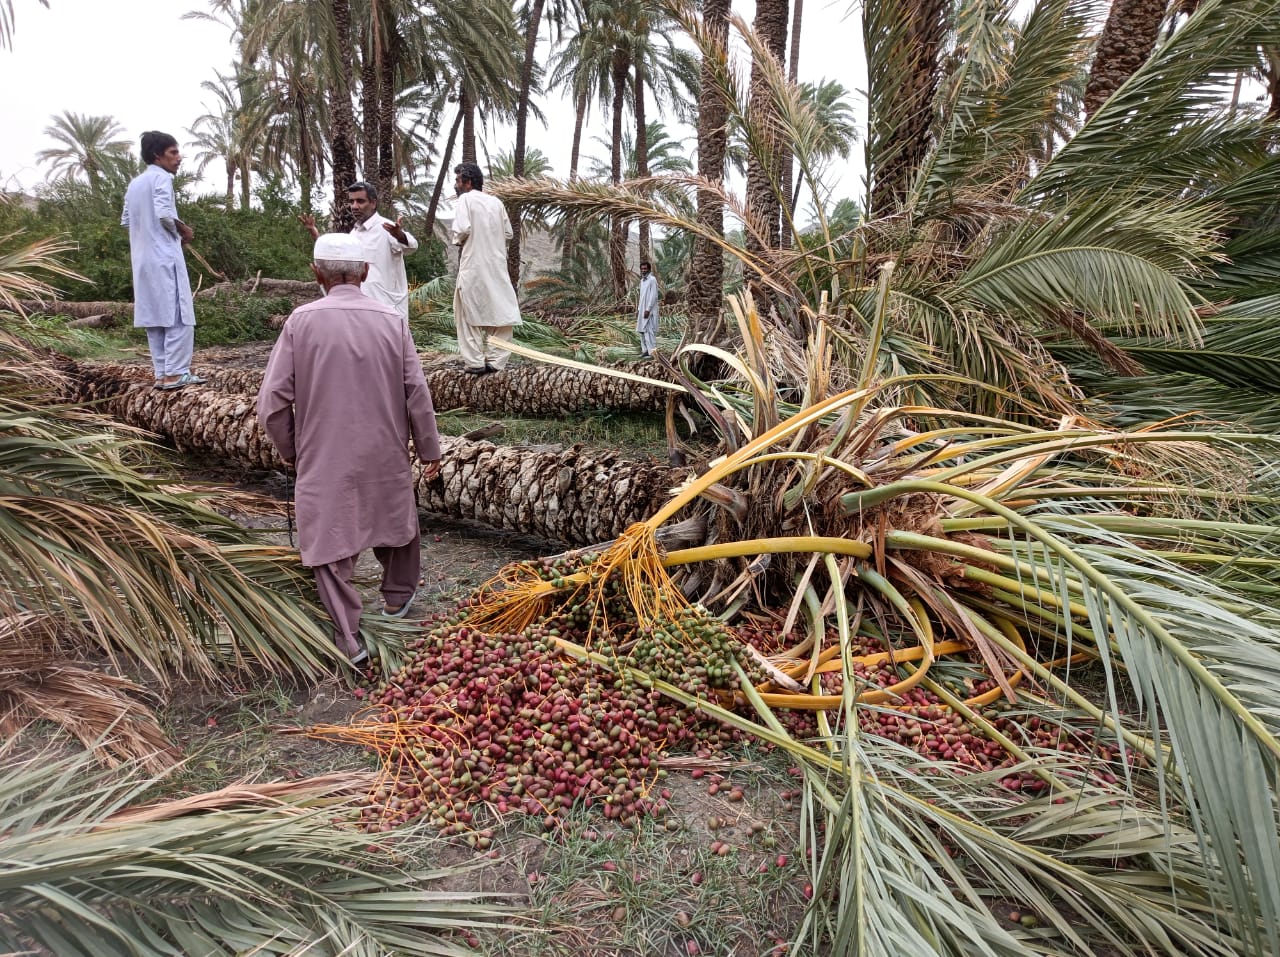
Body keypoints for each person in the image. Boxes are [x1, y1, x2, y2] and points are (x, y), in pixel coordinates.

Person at [257, 233, 442, 665]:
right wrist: (429, 450)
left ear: (316, 273)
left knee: (330, 539)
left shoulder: (300, 322)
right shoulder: (391, 320)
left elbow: (272, 402)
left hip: (324, 453)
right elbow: (416, 392)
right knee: (397, 521)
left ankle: (350, 637)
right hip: (386, 449)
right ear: (365, 271)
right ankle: (397, 599)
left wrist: (291, 449)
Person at [121, 131, 206, 390]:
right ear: (158, 156)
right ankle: (176, 373)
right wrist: (183, 230)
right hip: (164, 257)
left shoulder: (135, 184)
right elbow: (164, 214)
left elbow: (126, 219)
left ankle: (161, 373)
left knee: (155, 317)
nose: (179, 158)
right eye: (173, 153)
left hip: (143, 260)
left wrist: (149, 234)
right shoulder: (162, 179)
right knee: (179, 315)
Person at [300, 181, 418, 319]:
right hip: (360, 311)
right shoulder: (354, 234)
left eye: (360, 201)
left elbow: (412, 246)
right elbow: (335, 255)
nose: (354, 206)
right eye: (352, 202)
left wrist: (400, 235)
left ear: (373, 203)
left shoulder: (386, 227)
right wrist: (315, 233)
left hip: (387, 311)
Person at [451, 162, 522, 374]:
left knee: (465, 313)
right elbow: (508, 234)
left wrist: (459, 239)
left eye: (457, 180)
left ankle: (474, 362)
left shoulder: (465, 199)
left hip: (473, 265)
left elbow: (462, 229)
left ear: (468, 182)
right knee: (500, 312)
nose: (455, 185)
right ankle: (496, 361)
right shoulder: (496, 202)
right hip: (496, 265)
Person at [636, 260, 659, 358]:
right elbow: (642, 296)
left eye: (645, 268)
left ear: (649, 269)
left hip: (649, 311)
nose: (643, 270)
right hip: (642, 310)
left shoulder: (652, 280)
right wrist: (639, 309)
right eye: (642, 269)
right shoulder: (642, 281)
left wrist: (648, 309)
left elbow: (653, 296)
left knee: (649, 331)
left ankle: (652, 352)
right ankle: (645, 350)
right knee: (641, 331)